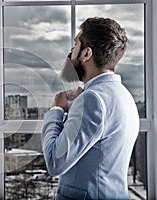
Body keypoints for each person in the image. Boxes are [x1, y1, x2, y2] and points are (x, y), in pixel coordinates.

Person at [41, 17, 139, 199]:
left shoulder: (93, 99)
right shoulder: (123, 95)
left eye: (75, 44)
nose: (71, 51)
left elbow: (55, 162)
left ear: (86, 54)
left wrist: (57, 110)